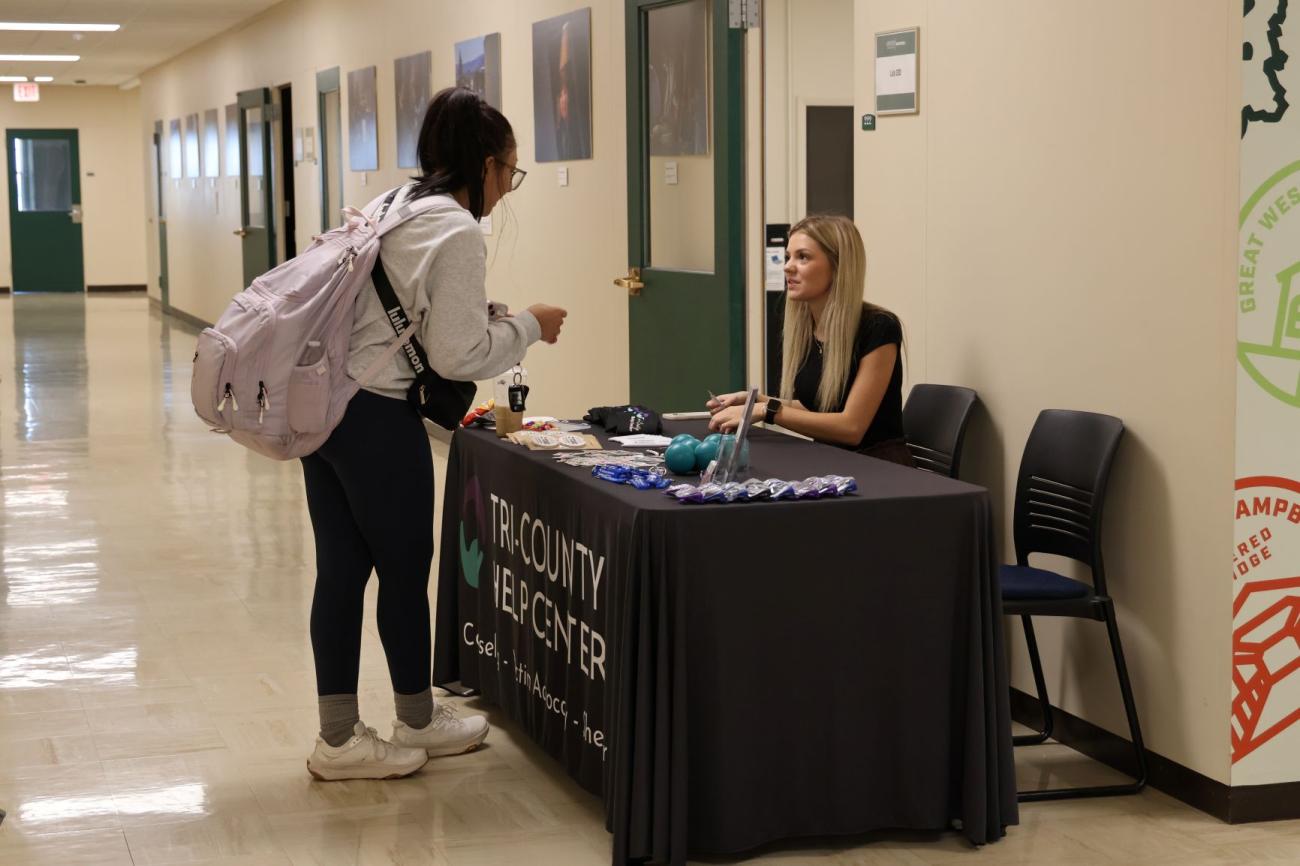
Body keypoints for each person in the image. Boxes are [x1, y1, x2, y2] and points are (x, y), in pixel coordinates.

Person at [304, 87, 568, 781]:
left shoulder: (396, 203)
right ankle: (407, 721)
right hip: (376, 419)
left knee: (340, 570)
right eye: (509, 171)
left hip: (329, 408)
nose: (508, 188)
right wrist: (530, 326)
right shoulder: (454, 229)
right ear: (484, 164)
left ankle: (343, 734)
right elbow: (459, 356)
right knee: (401, 570)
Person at [708, 214, 913, 467]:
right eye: (788, 257)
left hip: (879, 468)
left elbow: (851, 427)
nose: (787, 267)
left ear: (838, 266)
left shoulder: (879, 327)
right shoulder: (808, 327)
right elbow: (819, 410)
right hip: (832, 462)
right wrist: (756, 401)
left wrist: (767, 411)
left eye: (802, 257)